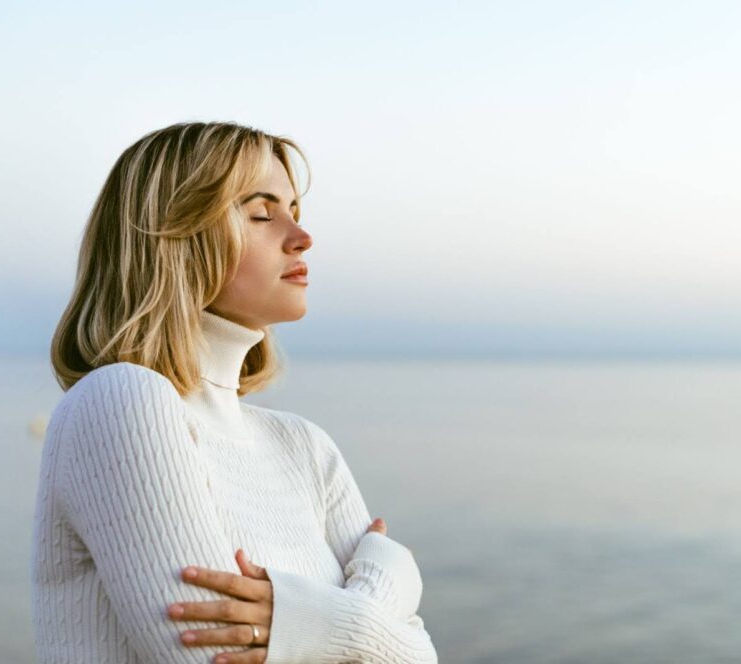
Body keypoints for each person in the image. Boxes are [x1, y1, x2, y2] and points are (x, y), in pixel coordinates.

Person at [30, 121, 438, 663]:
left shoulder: (304, 447)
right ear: (173, 233)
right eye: (261, 214)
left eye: (295, 211)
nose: (301, 236)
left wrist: (323, 625)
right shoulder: (119, 401)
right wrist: (385, 589)